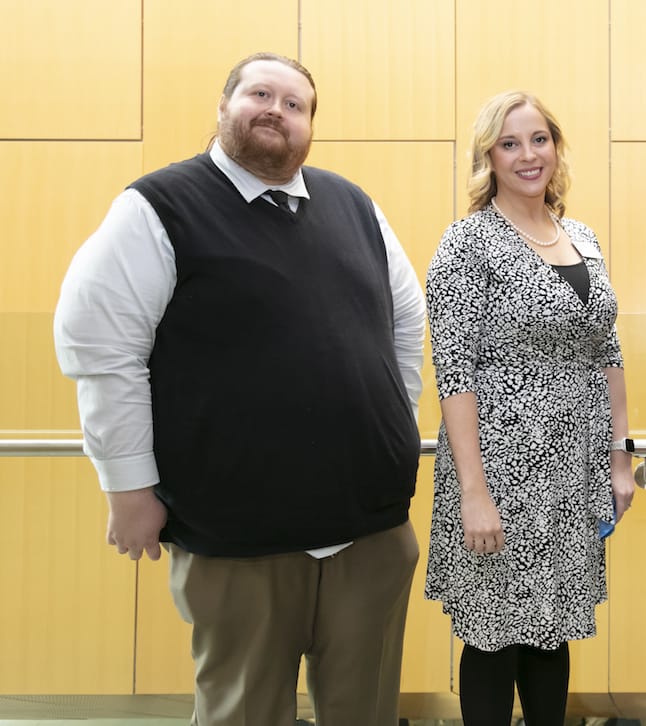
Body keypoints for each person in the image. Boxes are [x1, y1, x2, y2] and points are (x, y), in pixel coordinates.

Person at [52, 52, 424, 725]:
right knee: (243, 713)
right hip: (238, 536)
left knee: (364, 710)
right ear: (224, 106)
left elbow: (406, 321)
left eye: (294, 104)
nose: (275, 112)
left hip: (369, 531)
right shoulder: (158, 207)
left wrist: (392, 428)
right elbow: (100, 347)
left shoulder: (355, 206)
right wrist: (128, 486)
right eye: (260, 94)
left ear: (310, 125)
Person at [424, 90, 636, 726]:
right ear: (488, 156)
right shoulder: (468, 243)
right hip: (500, 471)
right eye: (509, 143)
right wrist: (473, 492)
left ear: (556, 146)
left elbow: (609, 352)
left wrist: (620, 459)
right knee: (494, 633)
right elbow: (454, 370)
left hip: (573, 472)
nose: (527, 155)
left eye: (538, 139)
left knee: (553, 628)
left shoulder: (582, 237)